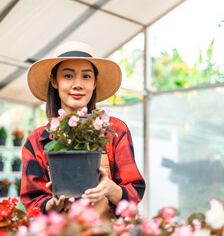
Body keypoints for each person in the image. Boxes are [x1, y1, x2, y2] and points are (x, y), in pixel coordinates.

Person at [21, 41, 145, 221]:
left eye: (86, 76)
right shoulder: (38, 140)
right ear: (55, 81)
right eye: (68, 76)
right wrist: (52, 204)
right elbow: (32, 202)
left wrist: (109, 188)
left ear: (94, 83)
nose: (78, 84)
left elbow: (135, 192)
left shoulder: (113, 130)